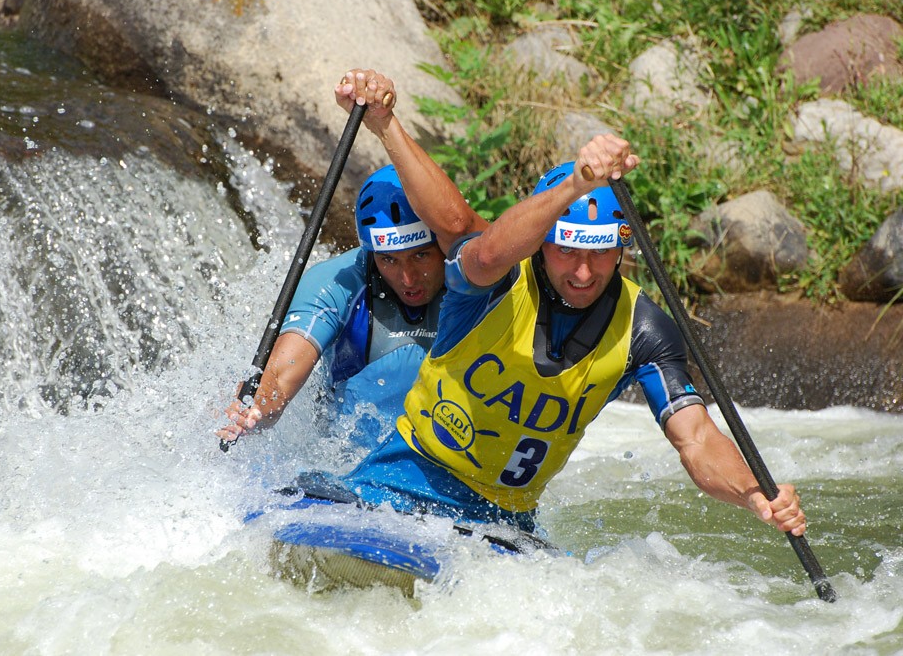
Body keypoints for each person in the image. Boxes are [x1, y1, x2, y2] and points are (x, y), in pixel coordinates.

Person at [319, 68, 807, 539]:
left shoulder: (644, 331)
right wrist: (578, 183)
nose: (582, 272)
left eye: (599, 254)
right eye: (567, 249)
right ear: (540, 244)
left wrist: (751, 493)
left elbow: (696, 438)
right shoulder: (498, 280)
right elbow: (479, 243)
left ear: (622, 249)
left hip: (501, 524)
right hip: (396, 486)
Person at [218, 165, 447, 450]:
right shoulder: (335, 283)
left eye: (421, 255)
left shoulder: (474, 278)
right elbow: (279, 376)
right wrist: (255, 408)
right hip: (349, 455)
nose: (408, 278)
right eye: (389, 260)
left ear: (445, 242)